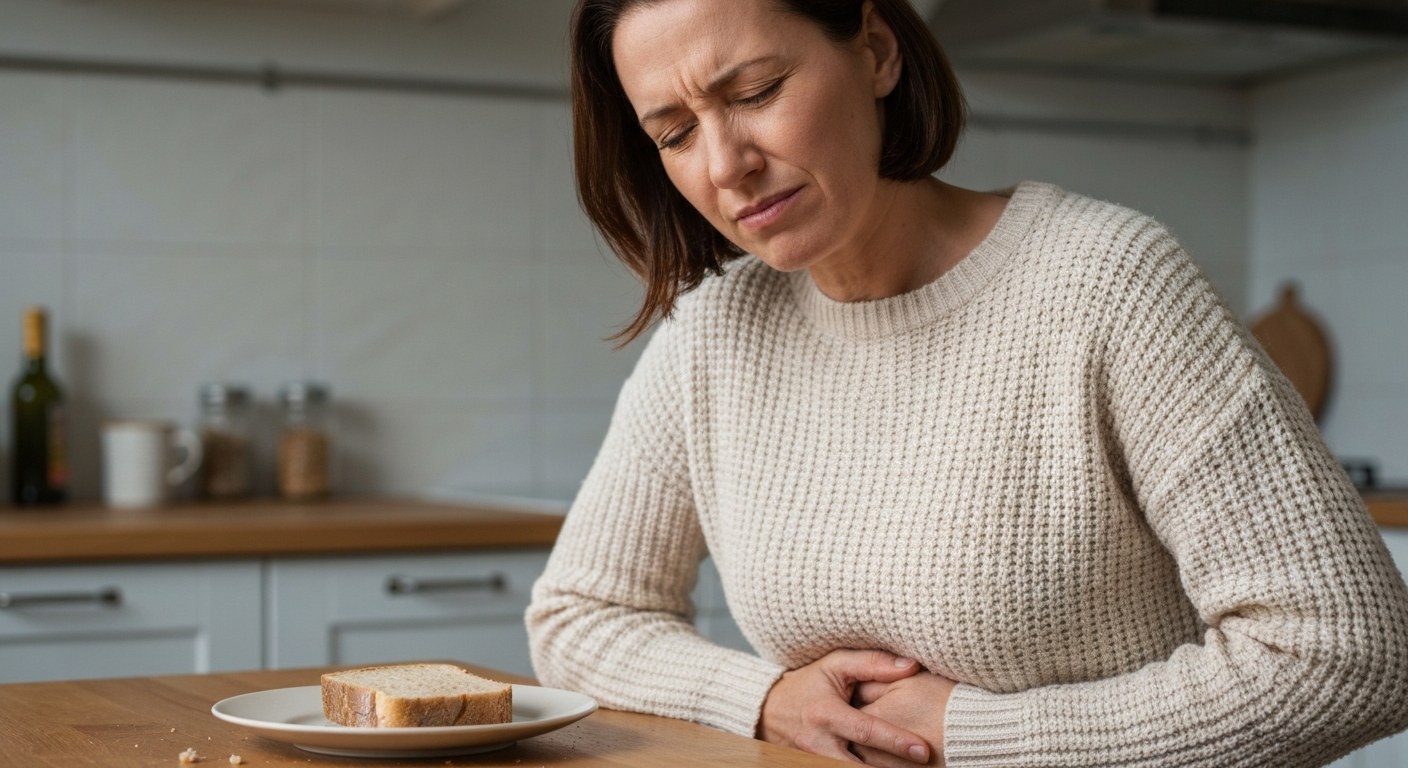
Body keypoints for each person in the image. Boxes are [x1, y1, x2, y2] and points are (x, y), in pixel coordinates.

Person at [525, 0, 1408, 765]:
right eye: (675, 134)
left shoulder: (1109, 281)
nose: (725, 165)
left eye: (755, 93)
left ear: (876, 51)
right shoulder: (714, 332)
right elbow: (580, 617)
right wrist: (763, 699)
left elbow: (1352, 656)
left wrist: (976, 736)